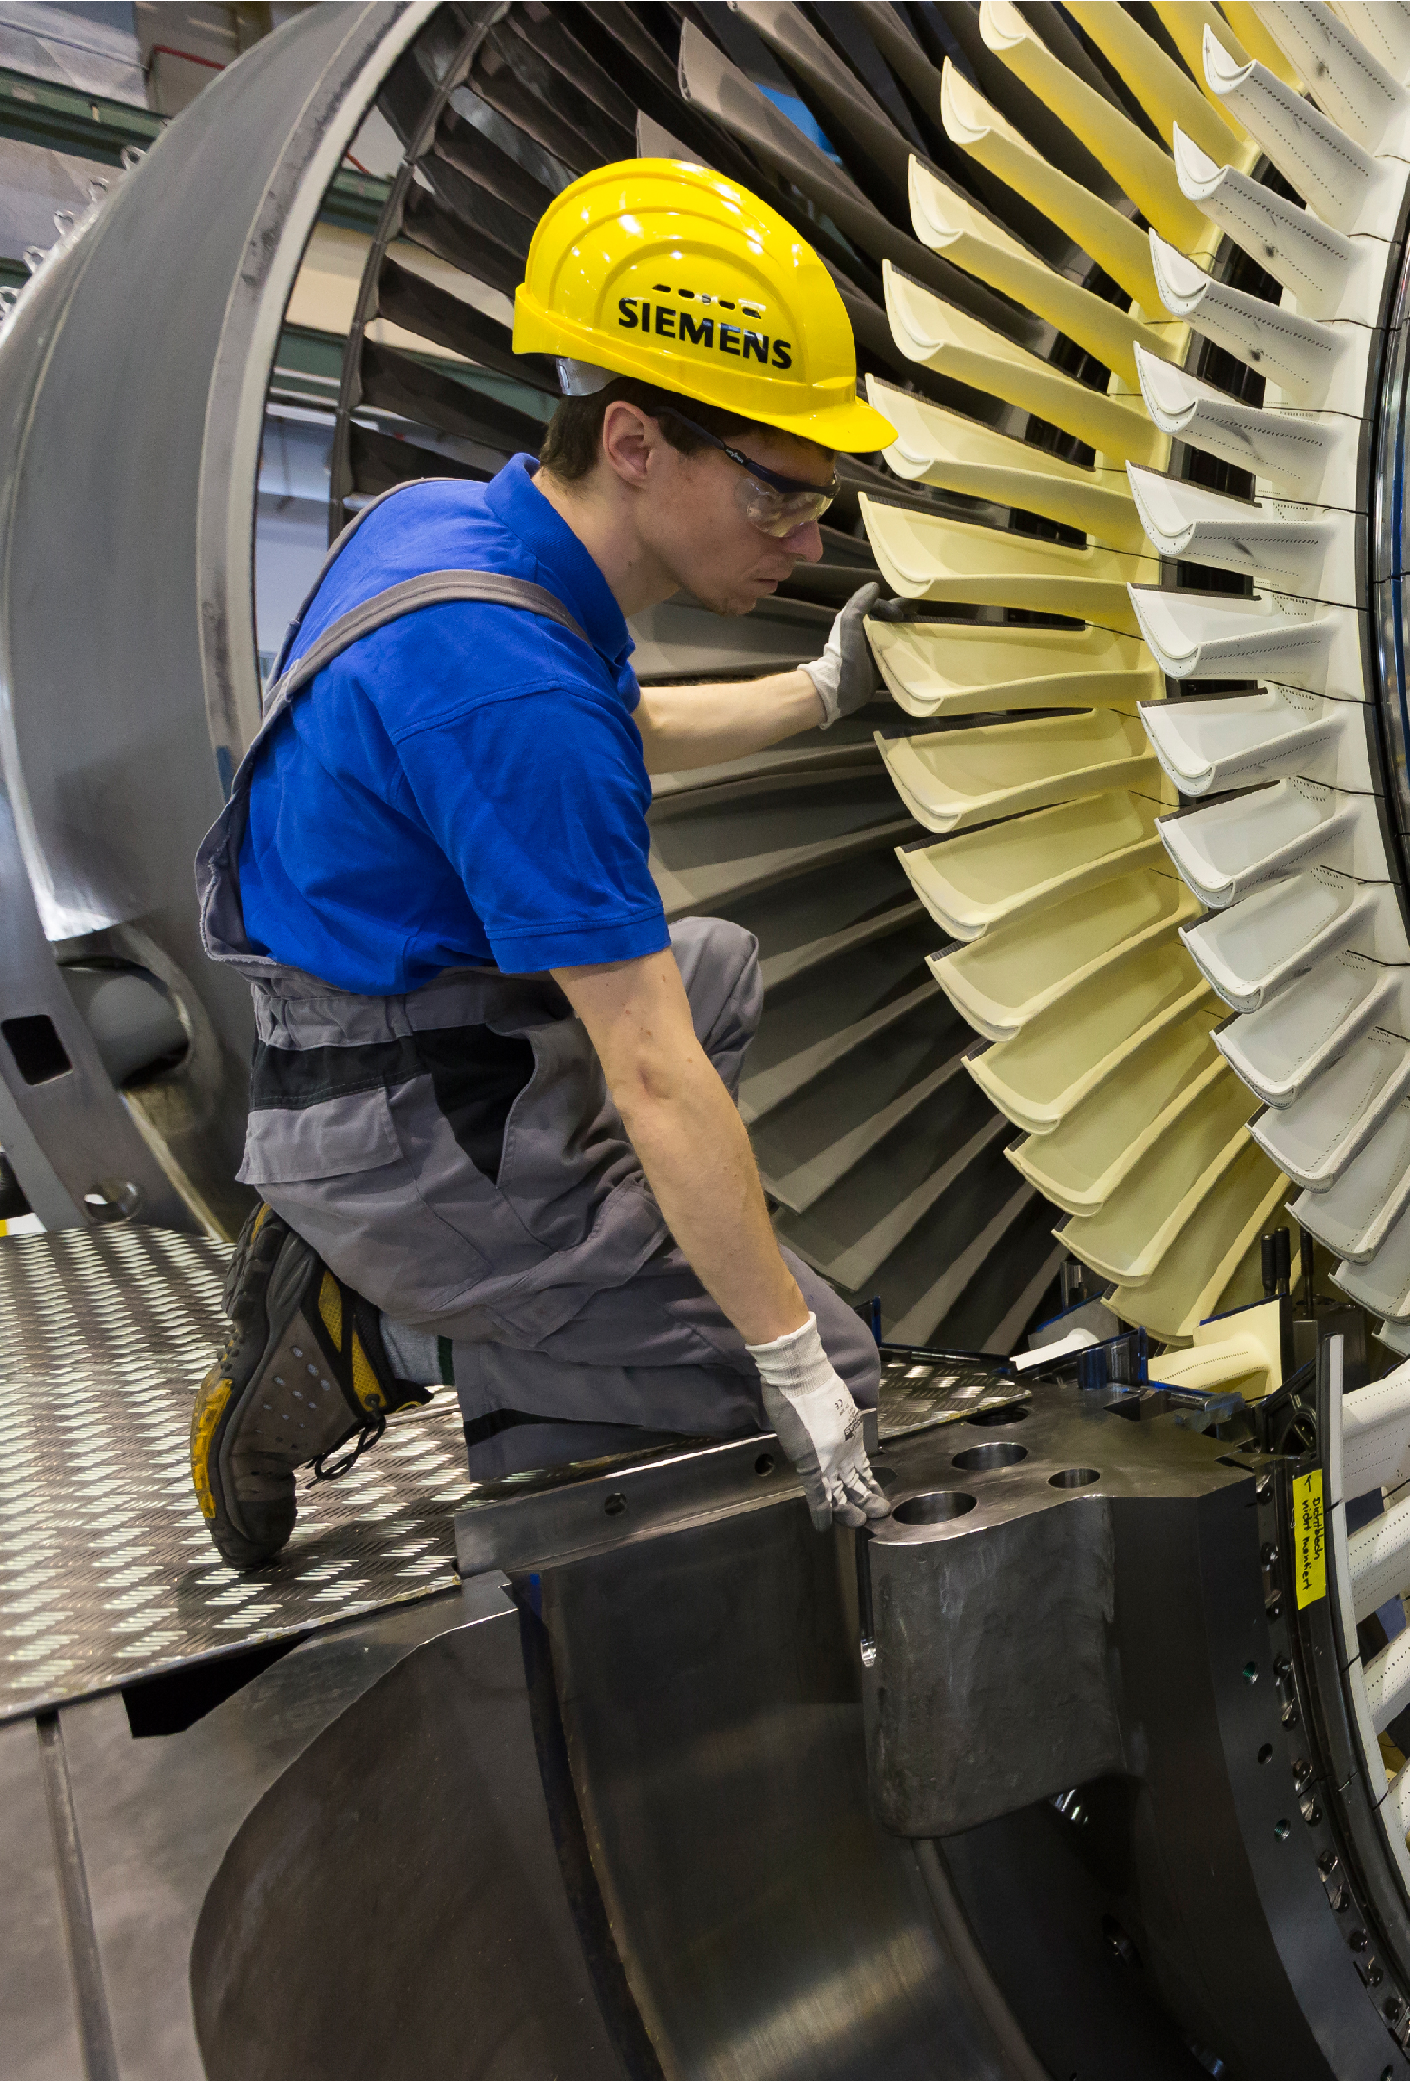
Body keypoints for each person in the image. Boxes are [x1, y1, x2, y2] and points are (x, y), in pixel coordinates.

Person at [190, 159, 904, 1564]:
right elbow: (644, 1069)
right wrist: (796, 1366)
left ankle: (515, 1266)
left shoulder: (454, 529)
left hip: (391, 1039)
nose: (807, 539)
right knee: (832, 1358)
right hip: (398, 1122)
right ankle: (373, 1336)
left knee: (721, 974)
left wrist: (825, 692)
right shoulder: (505, 689)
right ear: (634, 442)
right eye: (776, 495)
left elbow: (616, 725)